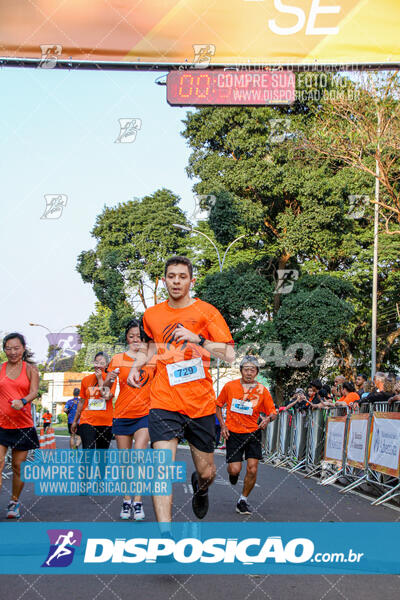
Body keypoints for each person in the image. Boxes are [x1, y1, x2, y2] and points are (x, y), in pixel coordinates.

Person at [127, 255, 235, 523]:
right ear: (163, 280)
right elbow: (151, 346)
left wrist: (198, 339)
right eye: (171, 276)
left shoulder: (207, 312)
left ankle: (200, 486)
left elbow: (230, 354)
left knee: (207, 472)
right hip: (164, 401)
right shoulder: (151, 314)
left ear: (191, 281)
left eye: (182, 276)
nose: (176, 281)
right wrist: (135, 366)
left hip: (200, 404)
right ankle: (165, 535)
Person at [104, 320, 154, 521]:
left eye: (140, 337)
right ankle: (126, 501)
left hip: (145, 414)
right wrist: (110, 377)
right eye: (132, 336)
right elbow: (106, 389)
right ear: (126, 337)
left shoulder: (152, 359)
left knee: (139, 458)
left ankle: (138, 501)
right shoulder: (117, 358)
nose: (136, 340)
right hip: (123, 415)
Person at [216, 356, 276, 515]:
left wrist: (268, 419)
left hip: (253, 433)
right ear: (241, 370)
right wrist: (223, 425)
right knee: (235, 470)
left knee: (252, 469)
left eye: (252, 370)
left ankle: (242, 500)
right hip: (234, 433)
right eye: (246, 369)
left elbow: (273, 412)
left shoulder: (262, 390)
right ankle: (233, 475)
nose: (249, 372)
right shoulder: (230, 386)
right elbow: (217, 405)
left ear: (257, 372)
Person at [0, 333, 39, 519]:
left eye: (16, 348)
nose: (12, 352)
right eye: (8, 348)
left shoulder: (30, 369)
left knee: (18, 466)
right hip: (1, 424)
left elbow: (34, 392)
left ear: (23, 348)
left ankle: (14, 501)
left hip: (23, 426)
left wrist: (22, 401)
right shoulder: (0, 369)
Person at [71, 352, 116, 450]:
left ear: (107, 365)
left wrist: (100, 379)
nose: (98, 365)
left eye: (102, 363)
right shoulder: (86, 380)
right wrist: (75, 421)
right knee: (88, 452)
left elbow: (106, 396)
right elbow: (81, 402)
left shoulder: (112, 379)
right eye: (96, 362)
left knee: (102, 456)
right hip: (87, 421)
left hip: (105, 422)